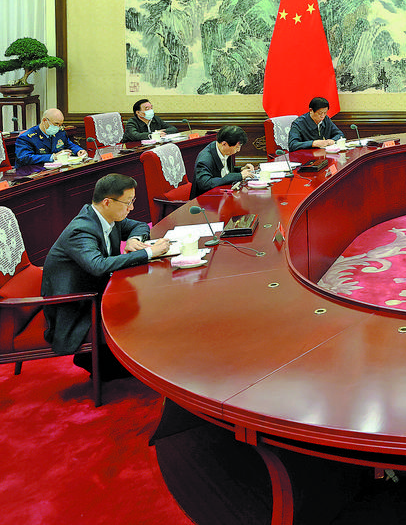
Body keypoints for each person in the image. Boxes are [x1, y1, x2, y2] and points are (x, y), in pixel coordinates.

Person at [41, 173, 170, 375]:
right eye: (128, 202)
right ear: (107, 202)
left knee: (151, 297)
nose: (131, 208)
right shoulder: (81, 230)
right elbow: (98, 266)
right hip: (77, 305)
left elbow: (140, 225)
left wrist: (134, 239)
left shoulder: (108, 216)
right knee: (145, 302)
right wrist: (149, 253)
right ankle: (107, 362)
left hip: (98, 288)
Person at [192, 125, 254, 198]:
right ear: (224, 144)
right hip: (208, 199)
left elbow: (225, 171)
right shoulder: (205, 159)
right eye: (237, 147)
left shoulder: (224, 150)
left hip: (224, 195)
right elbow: (205, 184)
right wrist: (239, 176)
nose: (238, 150)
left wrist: (241, 169)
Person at [14, 108, 88, 167]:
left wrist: (79, 150)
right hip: (32, 173)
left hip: (55, 170)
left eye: (60, 124)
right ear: (44, 120)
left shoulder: (60, 132)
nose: (58, 127)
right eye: (56, 124)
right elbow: (24, 158)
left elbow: (69, 144)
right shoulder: (27, 137)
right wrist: (53, 157)